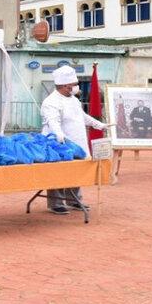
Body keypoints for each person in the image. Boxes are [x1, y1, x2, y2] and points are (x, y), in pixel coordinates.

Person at [41, 65, 109, 215]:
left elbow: (82, 116)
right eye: (74, 84)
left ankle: (74, 200)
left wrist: (98, 124)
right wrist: (59, 135)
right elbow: (53, 121)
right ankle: (56, 203)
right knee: (58, 172)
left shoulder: (74, 100)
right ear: (64, 86)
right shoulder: (51, 101)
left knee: (76, 171)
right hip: (60, 143)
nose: (76, 87)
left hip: (77, 142)